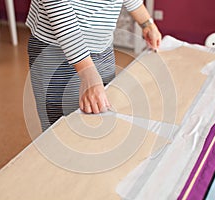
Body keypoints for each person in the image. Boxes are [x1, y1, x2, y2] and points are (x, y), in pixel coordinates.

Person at [26, 0, 162, 131]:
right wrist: (87, 73)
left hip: (102, 47)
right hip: (56, 51)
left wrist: (147, 23)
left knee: (99, 119)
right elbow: (58, 8)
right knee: (62, 130)